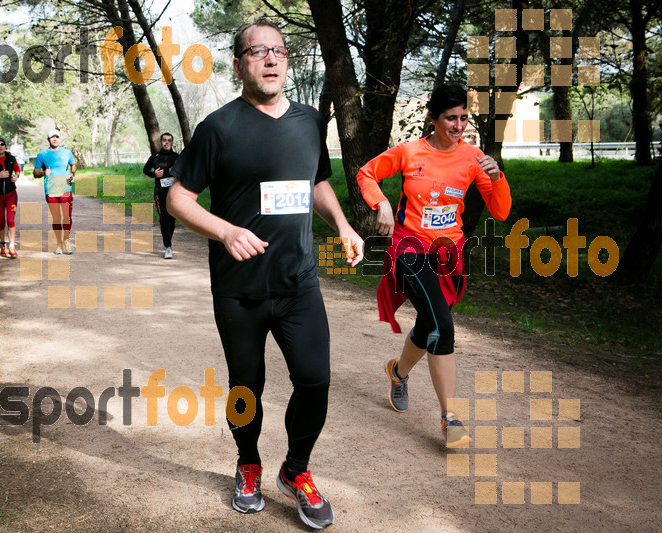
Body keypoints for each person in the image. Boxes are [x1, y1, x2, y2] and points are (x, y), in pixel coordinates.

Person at [167, 18, 363, 530]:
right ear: (239, 65)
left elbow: (315, 182)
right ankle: (248, 463)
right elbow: (177, 198)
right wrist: (225, 232)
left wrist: (341, 223)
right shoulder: (219, 128)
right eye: (257, 52)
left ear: (287, 61)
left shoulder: (308, 121)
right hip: (239, 289)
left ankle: (295, 470)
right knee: (245, 385)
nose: (271, 59)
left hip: (299, 282)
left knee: (315, 380)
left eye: (278, 51)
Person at [355, 84, 512, 448]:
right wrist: (379, 203)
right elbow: (366, 173)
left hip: (449, 257)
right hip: (409, 250)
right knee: (443, 326)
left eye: (463, 118)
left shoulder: (474, 159)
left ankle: (397, 371)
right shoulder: (410, 152)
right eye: (450, 118)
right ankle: (450, 418)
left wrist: (497, 175)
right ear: (433, 119)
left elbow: (501, 211)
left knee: (428, 326)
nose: (458, 126)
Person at [33, 130, 76, 255]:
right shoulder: (42, 155)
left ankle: (67, 241)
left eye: (57, 137)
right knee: (56, 218)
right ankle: (58, 243)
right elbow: (35, 173)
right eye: (52, 137)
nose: (55, 139)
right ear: (48, 140)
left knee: (67, 217)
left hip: (65, 188)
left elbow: (73, 164)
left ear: (60, 139)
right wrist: (43, 173)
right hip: (51, 190)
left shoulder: (67, 153)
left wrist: (72, 174)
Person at [143, 132, 179, 259]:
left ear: (172, 142)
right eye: (164, 140)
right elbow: (145, 170)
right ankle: (168, 247)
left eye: (169, 140)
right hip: (160, 192)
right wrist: (154, 174)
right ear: (160, 142)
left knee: (172, 219)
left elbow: (185, 171)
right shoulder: (155, 158)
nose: (167, 142)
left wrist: (175, 172)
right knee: (164, 217)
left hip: (174, 191)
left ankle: (167, 242)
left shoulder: (177, 157)